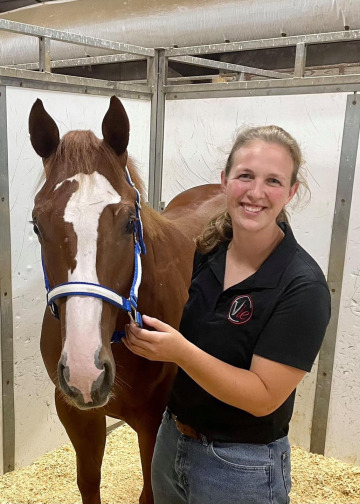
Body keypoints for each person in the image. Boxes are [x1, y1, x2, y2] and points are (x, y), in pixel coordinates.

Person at [123, 125, 331, 504]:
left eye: (273, 181)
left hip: (240, 467)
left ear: (291, 192)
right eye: (245, 176)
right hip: (172, 444)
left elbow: (263, 397)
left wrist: (179, 351)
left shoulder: (302, 287)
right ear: (224, 181)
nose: (255, 192)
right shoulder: (208, 249)